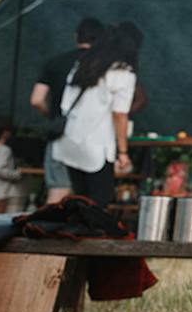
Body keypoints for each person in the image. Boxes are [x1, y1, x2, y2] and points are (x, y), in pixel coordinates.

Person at [53, 21, 144, 206]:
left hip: (69, 142)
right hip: (96, 147)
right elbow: (120, 115)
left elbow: (65, 104)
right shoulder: (124, 74)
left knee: (81, 200)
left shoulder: (83, 66)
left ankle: (77, 232)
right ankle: (90, 233)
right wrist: (123, 152)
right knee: (99, 203)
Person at [30, 17, 103, 204]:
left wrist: (55, 117)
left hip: (61, 135)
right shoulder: (105, 66)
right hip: (93, 138)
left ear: (76, 37)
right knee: (92, 193)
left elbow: (37, 99)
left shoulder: (55, 62)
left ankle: (45, 231)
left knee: (59, 188)